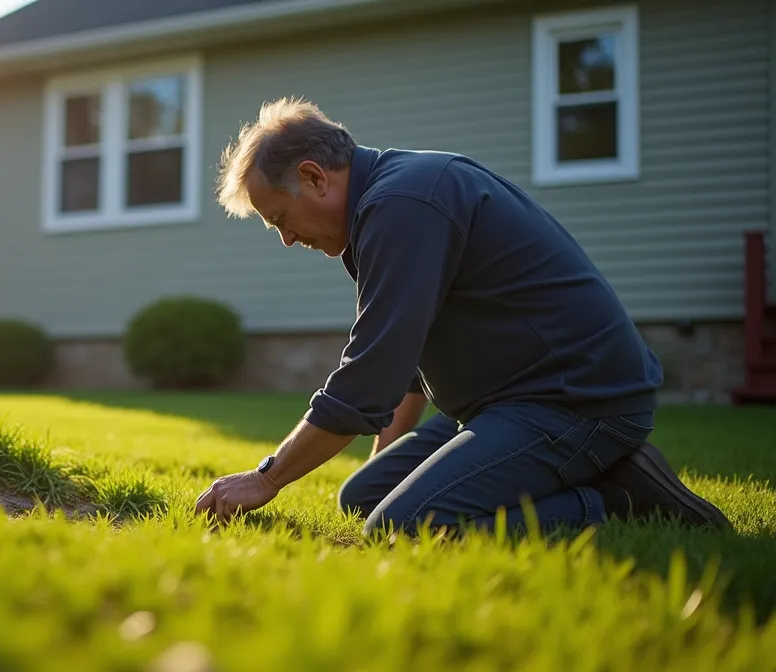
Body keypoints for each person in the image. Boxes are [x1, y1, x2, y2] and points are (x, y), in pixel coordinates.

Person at [193, 97, 731, 536]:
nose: (287, 239)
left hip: (575, 401)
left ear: (314, 177)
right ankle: (592, 477)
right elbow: (404, 359)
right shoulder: (382, 208)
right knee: (365, 495)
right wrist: (388, 460)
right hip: (505, 402)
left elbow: (369, 376)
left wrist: (267, 478)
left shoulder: (404, 204)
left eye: (281, 219)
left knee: (403, 526)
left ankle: (612, 500)